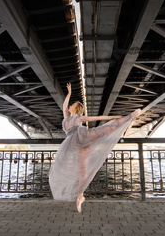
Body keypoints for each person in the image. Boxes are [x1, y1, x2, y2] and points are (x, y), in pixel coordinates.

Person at [48, 83, 141, 212]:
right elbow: (64, 106)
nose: (70, 105)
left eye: (72, 104)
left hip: (82, 137)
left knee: (104, 129)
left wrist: (113, 117)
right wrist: (69, 93)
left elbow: (96, 118)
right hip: (73, 144)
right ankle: (80, 196)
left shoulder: (78, 118)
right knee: (81, 171)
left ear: (76, 108)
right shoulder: (66, 118)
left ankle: (130, 116)